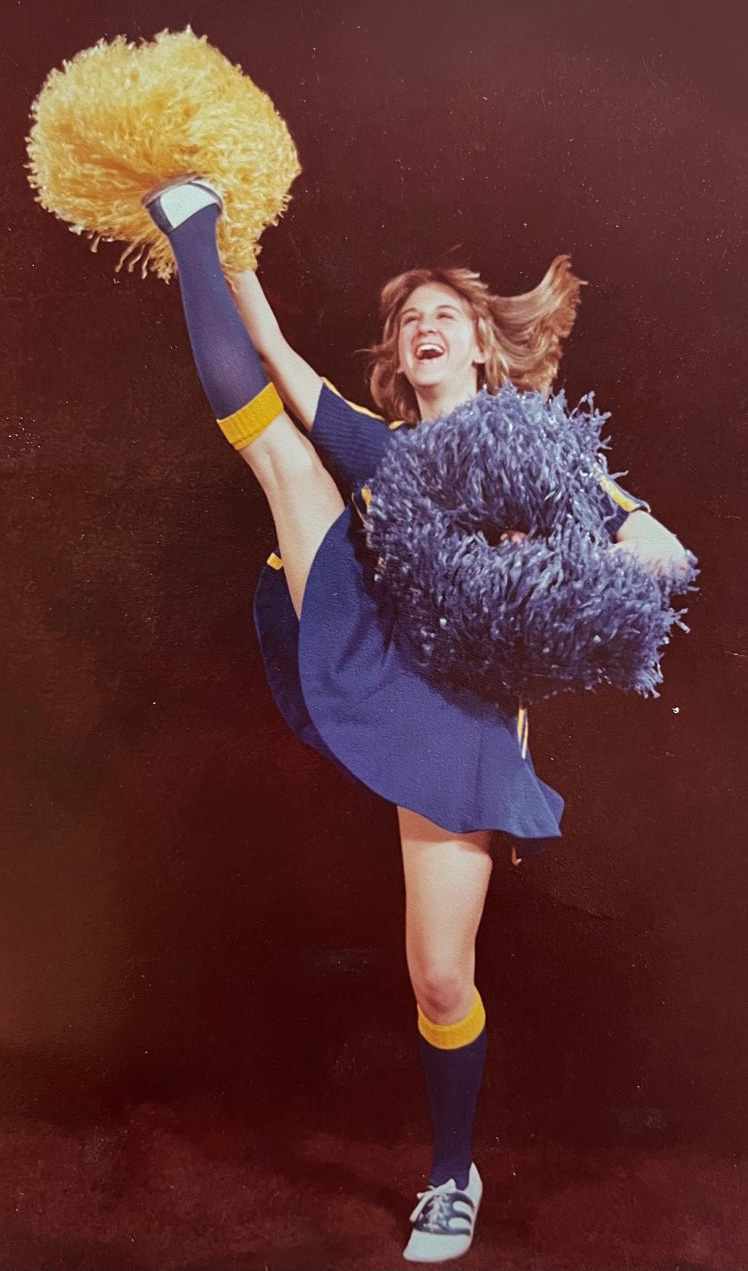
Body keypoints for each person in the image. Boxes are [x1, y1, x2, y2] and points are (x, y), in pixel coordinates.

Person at [140, 175, 689, 1263]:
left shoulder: (544, 451)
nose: (424, 325)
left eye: (446, 314)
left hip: (459, 709)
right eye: (406, 319)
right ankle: (188, 217)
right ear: (397, 356)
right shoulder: (382, 450)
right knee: (284, 452)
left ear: (485, 345)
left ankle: (452, 1172)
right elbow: (280, 366)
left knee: (439, 974)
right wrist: (232, 250)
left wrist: (603, 558)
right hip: (362, 634)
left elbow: (654, 542)